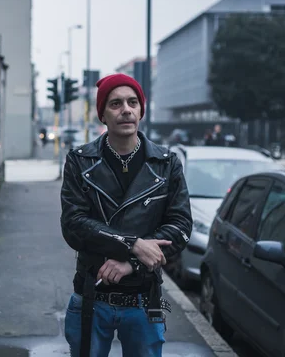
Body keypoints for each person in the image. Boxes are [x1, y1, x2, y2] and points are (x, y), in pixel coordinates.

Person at [60, 73, 192, 357]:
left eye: (133, 102)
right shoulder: (80, 161)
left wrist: (131, 262)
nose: (126, 110)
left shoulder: (166, 163)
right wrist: (133, 243)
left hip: (144, 298)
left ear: (142, 110)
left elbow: (180, 226)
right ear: (103, 115)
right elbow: (73, 225)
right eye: (116, 104)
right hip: (92, 297)